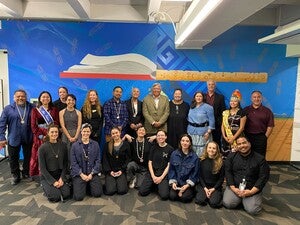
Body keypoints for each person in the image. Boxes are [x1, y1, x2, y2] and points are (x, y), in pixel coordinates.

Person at [222, 136, 270, 215]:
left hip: (251, 189)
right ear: (237, 146)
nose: (242, 146)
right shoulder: (231, 156)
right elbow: (228, 172)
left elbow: (263, 177)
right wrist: (233, 188)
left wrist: (251, 192)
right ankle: (241, 199)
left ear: (249, 144)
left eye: (244, 143)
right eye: (239, 144)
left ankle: (245, 200)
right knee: (228, 203)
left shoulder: (260, 159)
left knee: (253, 210)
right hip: (235, 187)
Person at [0, 90, 34, 185]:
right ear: (14, 97)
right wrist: (2, 137)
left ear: (26, 97)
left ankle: (26, 172)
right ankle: (15, 175)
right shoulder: (8, 109)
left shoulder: (32, 107)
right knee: (13, 157)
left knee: (28, 156)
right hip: (14, 137)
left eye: (22, 96)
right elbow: (2, 124)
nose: (20, 98)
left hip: (28, 137)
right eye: (18, 96)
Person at [30, 91, 59, 178]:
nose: (45, 98)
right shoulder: (35, 110)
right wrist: (41, 136)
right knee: (39, 156)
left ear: (50, 98)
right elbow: (33, 125)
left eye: (47, 97)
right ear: (40, 99)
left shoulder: (54, 109)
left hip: (52, 135)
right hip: (40, 136)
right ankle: (40, 174)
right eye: (43, 97)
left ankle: (52, 173)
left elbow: (57, 122)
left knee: (52, 155)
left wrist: (52, 133)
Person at [38, 124, 70, 202]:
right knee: (55, 196)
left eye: (56, 132)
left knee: (66, 194)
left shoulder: (63, 145)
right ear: (48, 133)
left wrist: (61, 178)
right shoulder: (42, 148)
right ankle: (46, 187)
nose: (54, 134)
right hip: (47, 177)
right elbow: (42, 168)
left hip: (59, 175)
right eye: (52, 132)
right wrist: (53, 182)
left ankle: (57, 188)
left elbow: (65, 164)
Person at [70, 123, 103, 201]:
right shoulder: (74, 146)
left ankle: (88, 185)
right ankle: (84, 185)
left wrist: (91, 174)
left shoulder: (95, 144)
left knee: (97, 193)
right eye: (84, 131)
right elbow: (73, 163)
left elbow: (98, 161)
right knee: (78, 197)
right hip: (79, 174)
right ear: (81, 131)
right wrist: (82, 175)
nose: (86, 133)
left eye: (88, 131)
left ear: (90, 132)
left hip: (92, 173)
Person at [139, 130, 173, 200]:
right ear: (156, 137)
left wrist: (161, 177)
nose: (160, 137)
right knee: (142, 192)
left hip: (163, 174)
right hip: (153, 173)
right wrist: (153, 176)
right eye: (158, 136)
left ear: (166, 137)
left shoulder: (170, 149)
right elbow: (150, 162)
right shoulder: (153, 147)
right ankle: (155, 184)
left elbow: (169, 165)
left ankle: (158, 185)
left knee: (164, 196)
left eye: (162, 135)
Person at [168, 134, 199, 203]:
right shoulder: (174, 154)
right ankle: (180, 192)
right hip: (177, 181)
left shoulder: (194, 157)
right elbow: (172, 169)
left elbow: (195, 173)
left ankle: (191, 191)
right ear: (180, 142)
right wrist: (173, 183)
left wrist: (187, 185)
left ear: (190, 143)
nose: (185, 143)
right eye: (183, 141)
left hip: (187, 183)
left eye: (187, 141)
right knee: (172, 196)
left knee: (184, 198)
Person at [243, 90, 274, 157]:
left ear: (261, 98)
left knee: (260, 157)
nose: (256, 99)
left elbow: (270, 126)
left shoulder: (267, 111)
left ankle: (259, 168)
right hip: (247, 137)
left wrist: (265, 137)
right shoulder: (245, 110)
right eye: (254, 97)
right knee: (247, 155)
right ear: (251, 99)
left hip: (261, 137)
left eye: (258, 97)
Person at [102, 127, 131, 195]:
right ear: (111, 135)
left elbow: (128, 159)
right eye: (113, 133)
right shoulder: (107, 145)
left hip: (121, 171)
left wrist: (122, 170)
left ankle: (121, 182)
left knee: (122, 191)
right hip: (110, 171)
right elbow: (105, 160)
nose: (115, 135)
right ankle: (111, 183)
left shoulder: (126, 144)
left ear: (120, 133)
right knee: (110, 191)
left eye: (116, 133)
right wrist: (110, 171)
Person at [195, 141, 224, 208]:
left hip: (215, 187)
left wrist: (213, 189)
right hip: (203, 186)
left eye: (214, 148)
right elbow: (200, 176)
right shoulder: (201, 160)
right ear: (206, 149)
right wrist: (205, 188)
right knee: (200, 200)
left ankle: (212, 196)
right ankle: (206, 195)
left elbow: (221, 179)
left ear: (217, 150)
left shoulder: (221, 162)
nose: (211, 150)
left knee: (214, 203)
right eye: (209, 147)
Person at [187, 91, 215, 157]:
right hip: (191, 132)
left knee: (202, 152)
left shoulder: (208, 107)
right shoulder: (191, 106)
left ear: (203, 97)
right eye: (197, 96)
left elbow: (212, 121)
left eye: (200, 96)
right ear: (194, 97)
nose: (198, 98)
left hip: (203, 133)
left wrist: (208, 132)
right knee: (192, 149)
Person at [221, 90, 246, 158]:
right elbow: (223, 126)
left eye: (235, 101)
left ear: (238, 102)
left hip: (237, 136)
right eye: (231, 101)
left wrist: (233, 138)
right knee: (226, 154)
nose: (233, 103)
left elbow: (242, 127)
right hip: (226, 137)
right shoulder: (226, 112)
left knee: (236, 154)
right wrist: (224, 136)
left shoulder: (242, 112)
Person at [205, 80, 226, 147]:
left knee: (216, 143)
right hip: (204, 125)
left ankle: (217, 157)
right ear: (207, 86)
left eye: (213, 84)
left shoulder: (220, 97)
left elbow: (223, 111)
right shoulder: (202, 96)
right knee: (205, 143)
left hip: (216, 125)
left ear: (215, 86)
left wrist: (220, 122)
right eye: (209, 84)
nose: (211, 86)